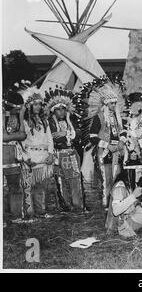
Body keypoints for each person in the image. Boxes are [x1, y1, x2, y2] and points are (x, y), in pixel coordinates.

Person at [45, 87, 84, 212]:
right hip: (59, 155)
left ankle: (77, 205)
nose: (61, 112)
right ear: (53, 111)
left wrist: (65, 133)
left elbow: (79, 133)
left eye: (63, 109)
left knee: (75, 179)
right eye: (58, 109)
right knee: (61, 181)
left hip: (72, 153)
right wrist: (65, 134)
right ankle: (65, 205)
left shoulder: (70, 121)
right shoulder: (49, 123)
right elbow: (53, 138)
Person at [89, 87, 127, 208]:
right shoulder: (98, 117)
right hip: (104, 151)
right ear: (106, 104)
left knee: (116, 177)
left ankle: (116, 203)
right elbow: (92, 136)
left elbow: (123, 131)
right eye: (111, 103)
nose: (114, 105)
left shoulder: (117, 117)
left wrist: (122, 141)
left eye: (115, 103)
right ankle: (106, 204)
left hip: (117, 151)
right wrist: (107, 145)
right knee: (106, 179)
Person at [21, 86, 54, 216]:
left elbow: (49, 138)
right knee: (28, 187)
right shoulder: (24, 122)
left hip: (43, 157)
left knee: (41, 187)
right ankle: (29, 213)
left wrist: (51, 153)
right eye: (35, 104)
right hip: (30, 158)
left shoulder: (44, 121)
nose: (38, 107)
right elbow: (22, 142)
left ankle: (40, 211)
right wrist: (25, 157)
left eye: (40, 104)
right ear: (29, 106)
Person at [3, 86, 27, 219]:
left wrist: (21, 116)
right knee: (3, 190)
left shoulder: (17, 116)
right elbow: (3, 137)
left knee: (16, 187)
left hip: (14, 157)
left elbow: (23, 135)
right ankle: (4, 218)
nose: (19, 111)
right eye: (18, 108)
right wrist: (16, 136)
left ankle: (17, 216)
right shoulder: (2, 116)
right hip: (4, 156)